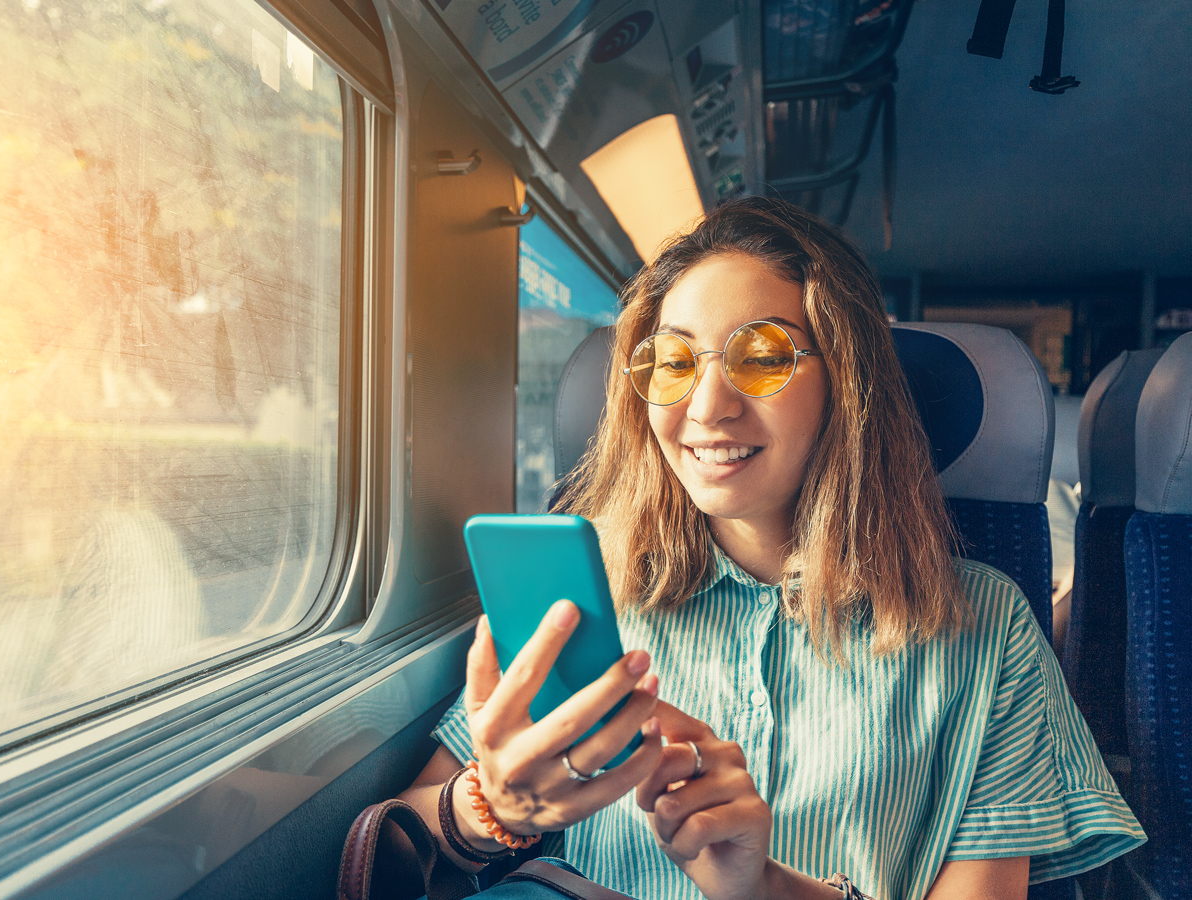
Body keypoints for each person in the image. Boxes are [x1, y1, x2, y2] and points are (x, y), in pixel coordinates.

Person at [397, 198, 1143, 900]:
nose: (708, 407)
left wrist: (766, 888)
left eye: (761, 357)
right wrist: (489, 808)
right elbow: (401, 838)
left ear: (846, 382)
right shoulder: (586, 599)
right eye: (674, 363)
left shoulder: (985, 625)